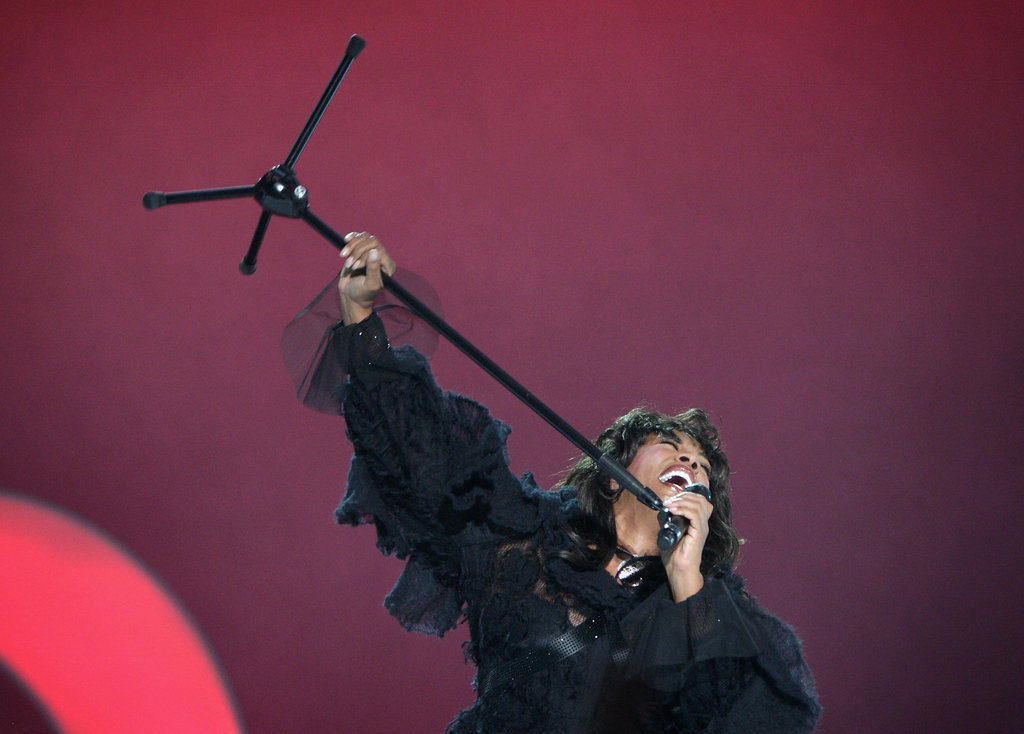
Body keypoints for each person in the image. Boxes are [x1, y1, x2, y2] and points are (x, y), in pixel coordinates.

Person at [284, 232, 821, 733]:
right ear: (613, 478)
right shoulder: (527, 543)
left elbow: (753, 718)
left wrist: (686, 580)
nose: (693, 461)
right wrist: (359, 316)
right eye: (672, 444)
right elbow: (426, 457)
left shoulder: (714, 608)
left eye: (703, 465)